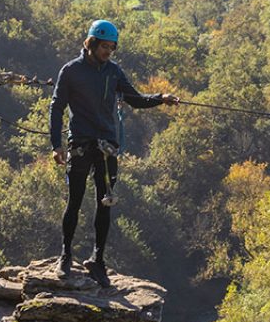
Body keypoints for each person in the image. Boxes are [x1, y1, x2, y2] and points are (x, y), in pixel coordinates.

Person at [49, 19, 179, 278]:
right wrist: (56, 145)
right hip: (81, 143)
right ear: (92, 43)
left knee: (105, 202)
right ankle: (65, 255)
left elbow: (135, 100)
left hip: (107, 145)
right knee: (74, 201)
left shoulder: (113, 72)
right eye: (105, 46)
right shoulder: (71, 71)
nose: (109, 51)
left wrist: (160, 99)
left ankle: (97, 259)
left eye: (112, 47)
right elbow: (56, 107)